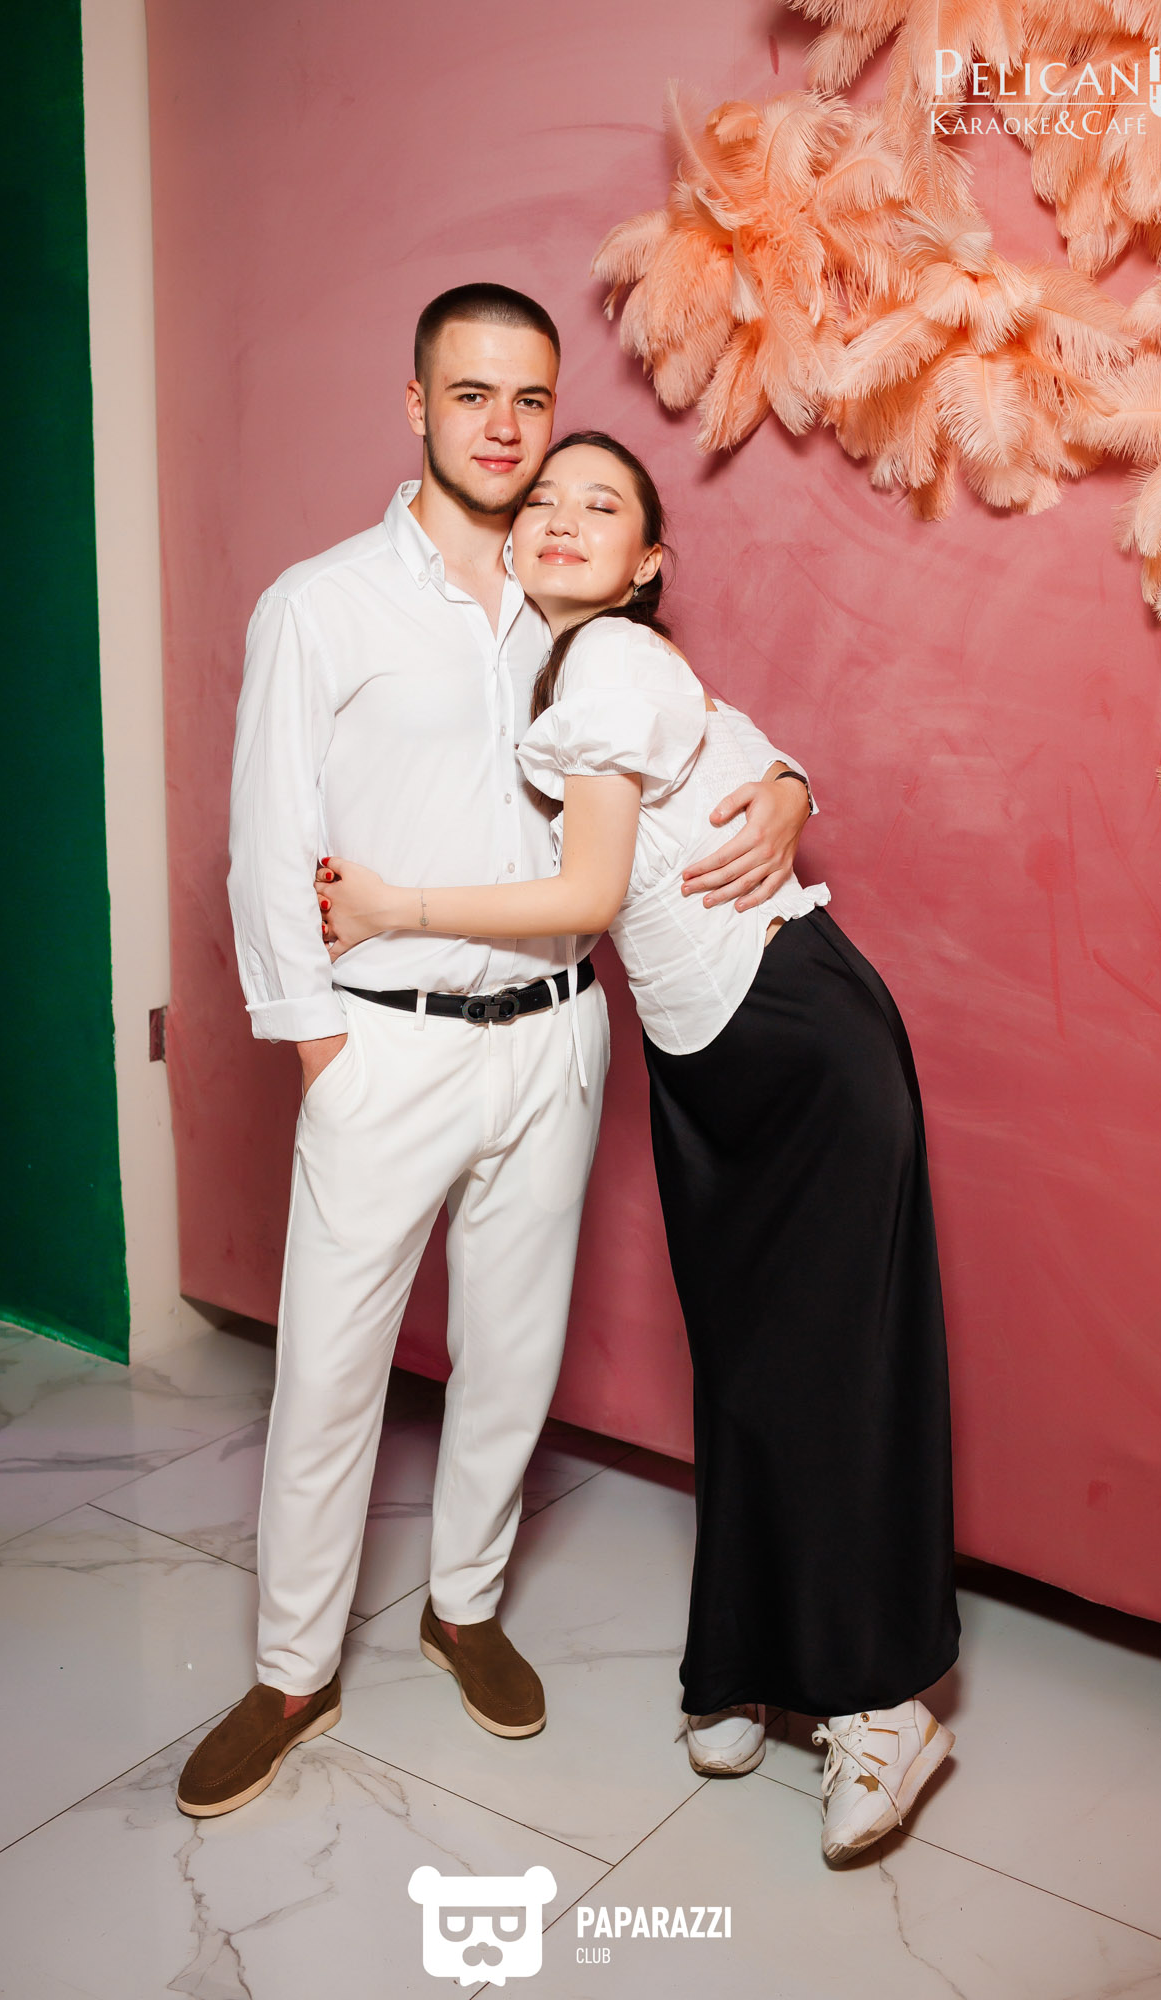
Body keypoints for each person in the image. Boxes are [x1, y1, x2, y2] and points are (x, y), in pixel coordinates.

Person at [176, 289, 813, 1819]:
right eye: (470, 395)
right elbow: (265, 847)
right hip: (384, 1045)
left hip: (554, 1038)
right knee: (329, 1375)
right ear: (416, 405)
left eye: (529, 398)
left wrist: (791, 785)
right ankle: (291, 1672)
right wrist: (321, 1054)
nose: (504, 427)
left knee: (513, 1354)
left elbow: (699, 729)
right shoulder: (320, 605)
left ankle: (461, 1608)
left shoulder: (568, 591)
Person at [317, 430, 962, 1865]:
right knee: (746, 1368)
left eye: (599, 504)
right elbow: (745, 755)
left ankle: (885, 1705)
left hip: (795, 1040)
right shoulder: (574, 671)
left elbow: (586, 895)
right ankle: (748, 1659)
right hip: (709, 1057)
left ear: (645, 562)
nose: (560, 515)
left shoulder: (608, 660)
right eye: (543, 497)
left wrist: (388, 907)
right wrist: (790, 779)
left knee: (832, 1371)